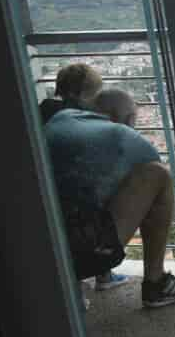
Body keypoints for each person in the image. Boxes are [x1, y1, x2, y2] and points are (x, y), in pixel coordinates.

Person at [44, 86, 175, 308]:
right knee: (158, 175)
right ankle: (156, 283)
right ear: (129, 118)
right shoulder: (122, 135)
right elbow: (153, 174)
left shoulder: (59, 118)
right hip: (76, 254)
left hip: (37, 249)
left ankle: (69, 288)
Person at [40, 66, 134, 293]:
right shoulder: (83, 119)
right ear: (84, 94)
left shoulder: (44, 111)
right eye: (96, 91)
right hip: (74, 205)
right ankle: (104, 273)